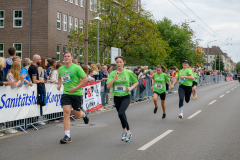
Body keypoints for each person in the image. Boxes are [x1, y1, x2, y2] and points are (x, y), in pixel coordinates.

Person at [57, 52, 89, 144]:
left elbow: (85, 79)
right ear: (63, 58)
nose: (66, 58)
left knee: (77, 115)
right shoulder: (61, 68)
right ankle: (67, 135)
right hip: (66, 94)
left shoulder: (77, 68)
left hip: (76, 94)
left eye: (68, 56)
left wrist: (75, 88)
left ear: (71, 58)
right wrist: (59, 85)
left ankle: (84, 115)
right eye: (65, 56)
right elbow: (60, 77)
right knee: (66, 113)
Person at [107, 56, 139, 142]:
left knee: (121, 113)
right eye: (117, 62)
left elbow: (136, 82)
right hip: (117, 97)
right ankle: (128, 131)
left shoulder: (128, 72)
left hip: (125, 96)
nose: (119, 64)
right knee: (122, 115)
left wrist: (131, 88)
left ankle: (125, 131)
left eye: (120, 62)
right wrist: (115, 77)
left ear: (123, 62)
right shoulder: (113, 73)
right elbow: (108, 86)